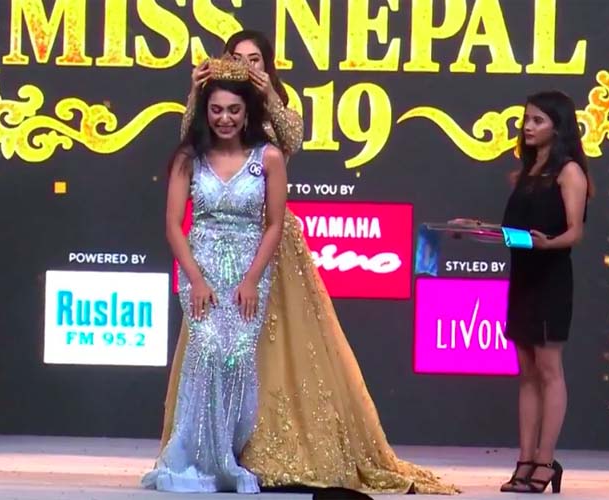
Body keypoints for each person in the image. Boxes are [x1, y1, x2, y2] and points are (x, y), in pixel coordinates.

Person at [159, 31, 458, 494]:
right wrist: (195, 94)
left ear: (268, 66)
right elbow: (189, 154)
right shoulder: (203, 131)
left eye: (255, 60)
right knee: (212, 350)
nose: (245, 68)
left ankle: (274, 447)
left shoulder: (272, 119)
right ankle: (209, 449)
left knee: (278, 345)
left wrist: (265, 97)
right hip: (210, 257)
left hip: (267, 246)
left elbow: (291, 144)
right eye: (236, 59)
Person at [142, 56, 287, 493]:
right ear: (205, 112)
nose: (225, 118)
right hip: (199, 267)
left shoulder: (269, 157)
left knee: (236, 359)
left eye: (234, 110)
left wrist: (251, 279)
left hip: (248, 272)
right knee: (205, 354)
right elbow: (173, 225)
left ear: (247, 112)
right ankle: (198, 457)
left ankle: (228, 456)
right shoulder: (189, 158)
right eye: (217, 110)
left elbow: (274, 225)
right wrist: (197, 279)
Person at [497, 91, 589, 493]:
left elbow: (574, 232)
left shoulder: (570, 172)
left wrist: (545, 244)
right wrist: (481, 230)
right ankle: (525, 459)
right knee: (527, 373)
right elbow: (514, 231)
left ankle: (545, 462)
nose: (528, 127)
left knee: (549, 370)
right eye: (526, 120)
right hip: (523, 277)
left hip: (551, 277)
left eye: (538, 120)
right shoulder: (525, 173)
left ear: (558, 126)